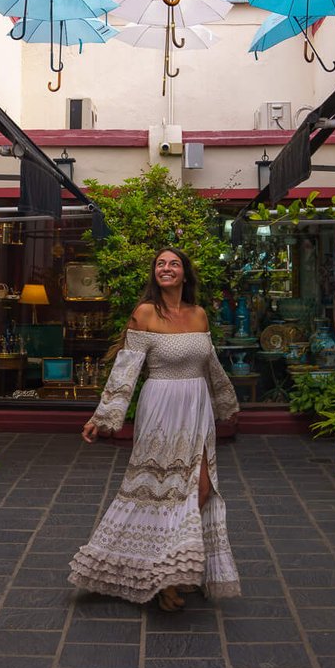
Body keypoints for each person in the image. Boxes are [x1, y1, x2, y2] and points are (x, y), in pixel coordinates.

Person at [68, 247, 241, 612]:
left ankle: (175, 564)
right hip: (161, 408)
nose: (166, 268)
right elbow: (125, 371)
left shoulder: (199, 314)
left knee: (202, 488)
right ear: (155, 274)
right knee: (162, 490)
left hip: (197, 408)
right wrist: (102, 417)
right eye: (160, 263)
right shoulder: (145, 313)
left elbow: (210, 365)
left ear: (184, 274)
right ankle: (167, 577)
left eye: (173, 263)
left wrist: (225, 403)